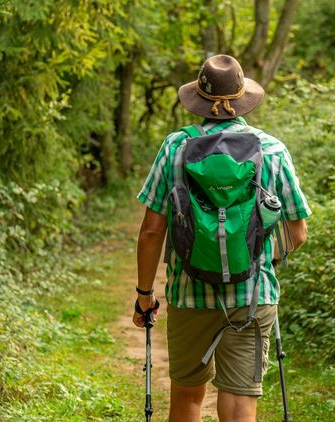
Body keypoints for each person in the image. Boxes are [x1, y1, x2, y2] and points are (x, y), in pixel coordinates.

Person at [132, 54, 310, 422]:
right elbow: (297, 233)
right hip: (252, 295)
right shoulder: (272, 149)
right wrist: (257, 253)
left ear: (199, 97)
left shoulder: (175, 147)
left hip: (189, 292)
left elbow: (152, 230)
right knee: (240, 404)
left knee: (187, 398)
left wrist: (145, 295)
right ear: (243, 96)